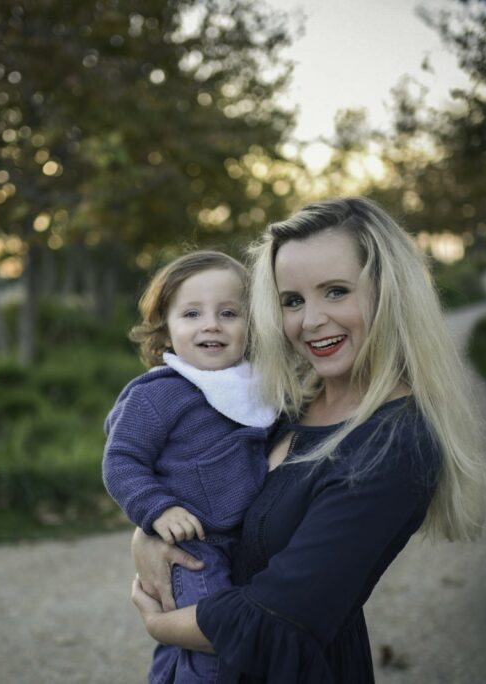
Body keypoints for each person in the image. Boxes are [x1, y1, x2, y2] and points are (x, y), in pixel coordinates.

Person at [129, 197, 486, 682]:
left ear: (390, 293)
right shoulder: (285, 401)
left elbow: (278, 617)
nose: (311, 321)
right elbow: (196, 488)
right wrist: (146, 536)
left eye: (336, 292)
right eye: (293, 301)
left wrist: (160, 625)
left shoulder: (394, 444)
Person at [103, 250, 279, 684]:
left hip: (241, 543)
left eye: (229, 313)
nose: (211, 324)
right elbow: (121, 460)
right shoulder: (158, 394)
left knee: (181, 644)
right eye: (192, 313)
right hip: (193, 549)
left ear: (251, 324)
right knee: (210, 642)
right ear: (165, 329)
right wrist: (158, 510)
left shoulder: (256, 386)